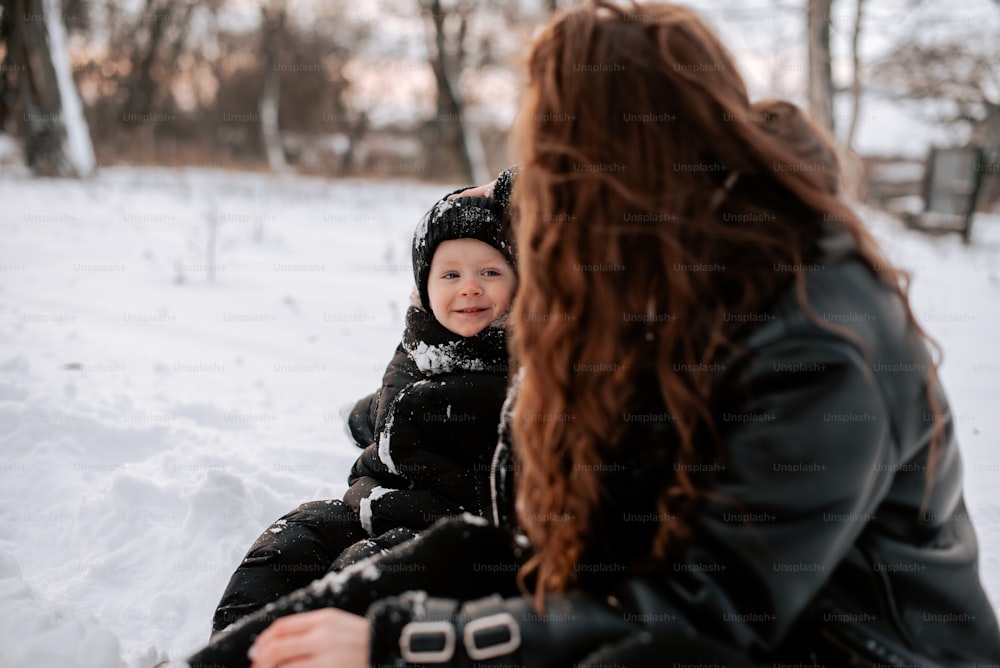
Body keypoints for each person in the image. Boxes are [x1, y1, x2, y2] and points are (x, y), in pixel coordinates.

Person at [194, 2, 1000, 666]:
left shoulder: (814, 336)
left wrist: (404, 642)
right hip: (685, 619)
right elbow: (543, 546)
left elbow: (703, 618)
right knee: (444, 561)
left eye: (558, 151)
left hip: (832, 650)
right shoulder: (661, 259)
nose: (543, 179)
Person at [209, 194, 518, 632]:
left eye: (489, 272)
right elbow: (389, 403)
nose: (469, 287)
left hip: (444, 532)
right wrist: (357, 418)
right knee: (292, 542)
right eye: (451, 274)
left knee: (357, 574)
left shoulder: (522, 369)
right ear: (425, 286)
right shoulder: (418, 346)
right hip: (370, 506)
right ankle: (230, 648)